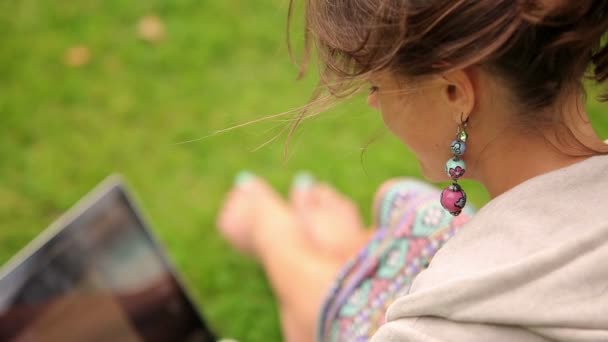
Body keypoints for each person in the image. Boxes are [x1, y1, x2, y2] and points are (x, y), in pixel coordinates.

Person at [218, 0, 608, 341]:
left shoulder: (435, 330)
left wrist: (273, 236)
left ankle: (269, 228)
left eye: (376, 85)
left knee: (342, 302)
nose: (373, 103)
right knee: (404, 206)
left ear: (454, 91)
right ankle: (350, 251)